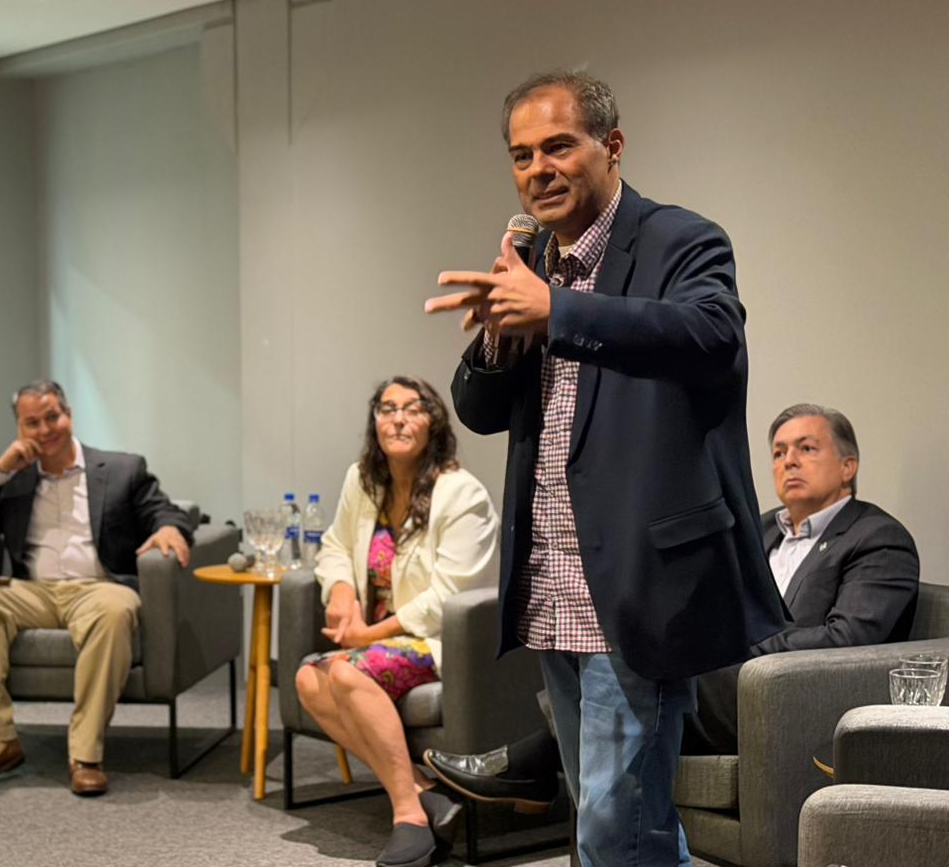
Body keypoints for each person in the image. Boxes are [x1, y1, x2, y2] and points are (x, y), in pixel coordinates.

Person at [424, 70, 786, 867]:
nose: (538, 170)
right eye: (522, 156)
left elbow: (710, 335)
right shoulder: (534, 267)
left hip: (638, 585)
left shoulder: (679, 240)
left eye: (559, 146)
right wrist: (498, 336)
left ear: (612, 146)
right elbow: (480, 411)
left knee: (611, 826)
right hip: (553, 578)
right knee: (619, 815)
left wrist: (558, 312)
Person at [421, 402, 919, 797]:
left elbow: (850, 638)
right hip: (732, 680)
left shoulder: (877, 537)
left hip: (787, 697)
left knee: (649, 664)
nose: (788, 460)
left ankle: (527, 766)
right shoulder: (761, 528)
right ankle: (531, 771)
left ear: (848, 465)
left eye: (807, 448)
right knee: (630, 644)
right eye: (779, 451)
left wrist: (743, 646)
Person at [0, 379, 192, 796]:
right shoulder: (15, 477)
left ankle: (85, 753)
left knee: (116, 611)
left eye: (52, 417)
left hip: (98, 587)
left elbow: (163, 510)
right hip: (33, 592)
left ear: (69, 415)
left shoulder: (121, 469)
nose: (45, 430)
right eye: (32, 423)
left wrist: (169, 527)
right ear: (21, 429)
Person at [294, 376, 499, 867]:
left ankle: (406, 812)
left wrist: (368, 634)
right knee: (306, 677)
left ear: (434, 422)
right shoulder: (362, 480)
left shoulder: (461, 493)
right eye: (387, 408)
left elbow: (451, 593)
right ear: (375, 422)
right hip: (378, 641)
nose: (399, 418)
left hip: (434, 641)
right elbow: (336, 548)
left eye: (412, 408)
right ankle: (424, 789)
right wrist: (341, 589)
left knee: (344, 671)